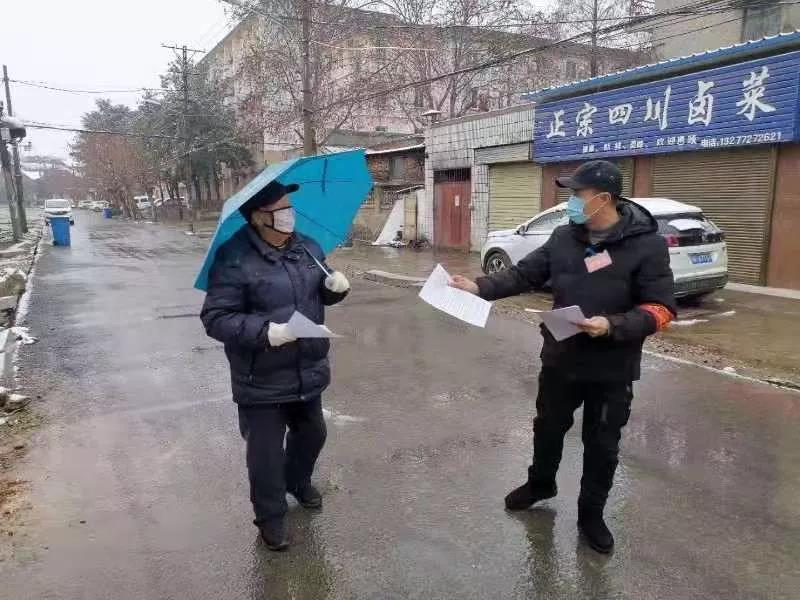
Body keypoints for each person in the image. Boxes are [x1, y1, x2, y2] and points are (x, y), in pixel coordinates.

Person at [450, 160, 676, 554]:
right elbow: (524, 275)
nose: (570, 202)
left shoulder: (647, 245)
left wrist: (611, 324)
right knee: (547, 428)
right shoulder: (564, 237)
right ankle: (541, 484)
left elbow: (661, 309)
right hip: (562, 356)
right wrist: (478, 287)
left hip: (612, 366)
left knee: (602, 443)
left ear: (602, 198)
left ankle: (591, 514)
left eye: (577, 194)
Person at [200, 181, 350, 551]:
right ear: (257, 217)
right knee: (265, 457)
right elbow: (215, 318)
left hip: (307, 367)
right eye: (280, 210)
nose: (289, 215)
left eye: (289, 207)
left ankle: (297, 481)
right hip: (261, 377)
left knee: (313, 435)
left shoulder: (307, 247)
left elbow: (317, 290)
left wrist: (334, 289)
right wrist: (269, 332)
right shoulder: (233, 258)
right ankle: (270, 517)